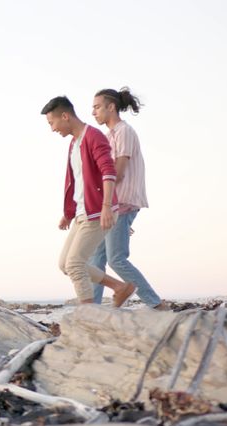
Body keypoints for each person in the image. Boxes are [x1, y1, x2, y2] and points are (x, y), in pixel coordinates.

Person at [41, 95, 136, 306]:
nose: (52, 129)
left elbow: (109, 171)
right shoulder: (75, 143)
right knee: (65, 264)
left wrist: (106, 207)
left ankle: (88, 312)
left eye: (52, 123)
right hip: (83, 212)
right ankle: (121, 287)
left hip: (97, 211)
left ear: (64, 116)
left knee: (75, 264)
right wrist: (68, 213)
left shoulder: (94, 136)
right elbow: (77, 181)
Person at [88, 88, 167, 309]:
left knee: (116, 259)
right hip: (112, 205)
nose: (93, 112)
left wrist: (108, 207)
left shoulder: (124, 131)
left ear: (110, 107)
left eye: (96, 107)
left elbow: (118, 172)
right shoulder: (108, 136)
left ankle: (156, 304)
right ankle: (91, 310)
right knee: (95, 260)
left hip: (121, 202)